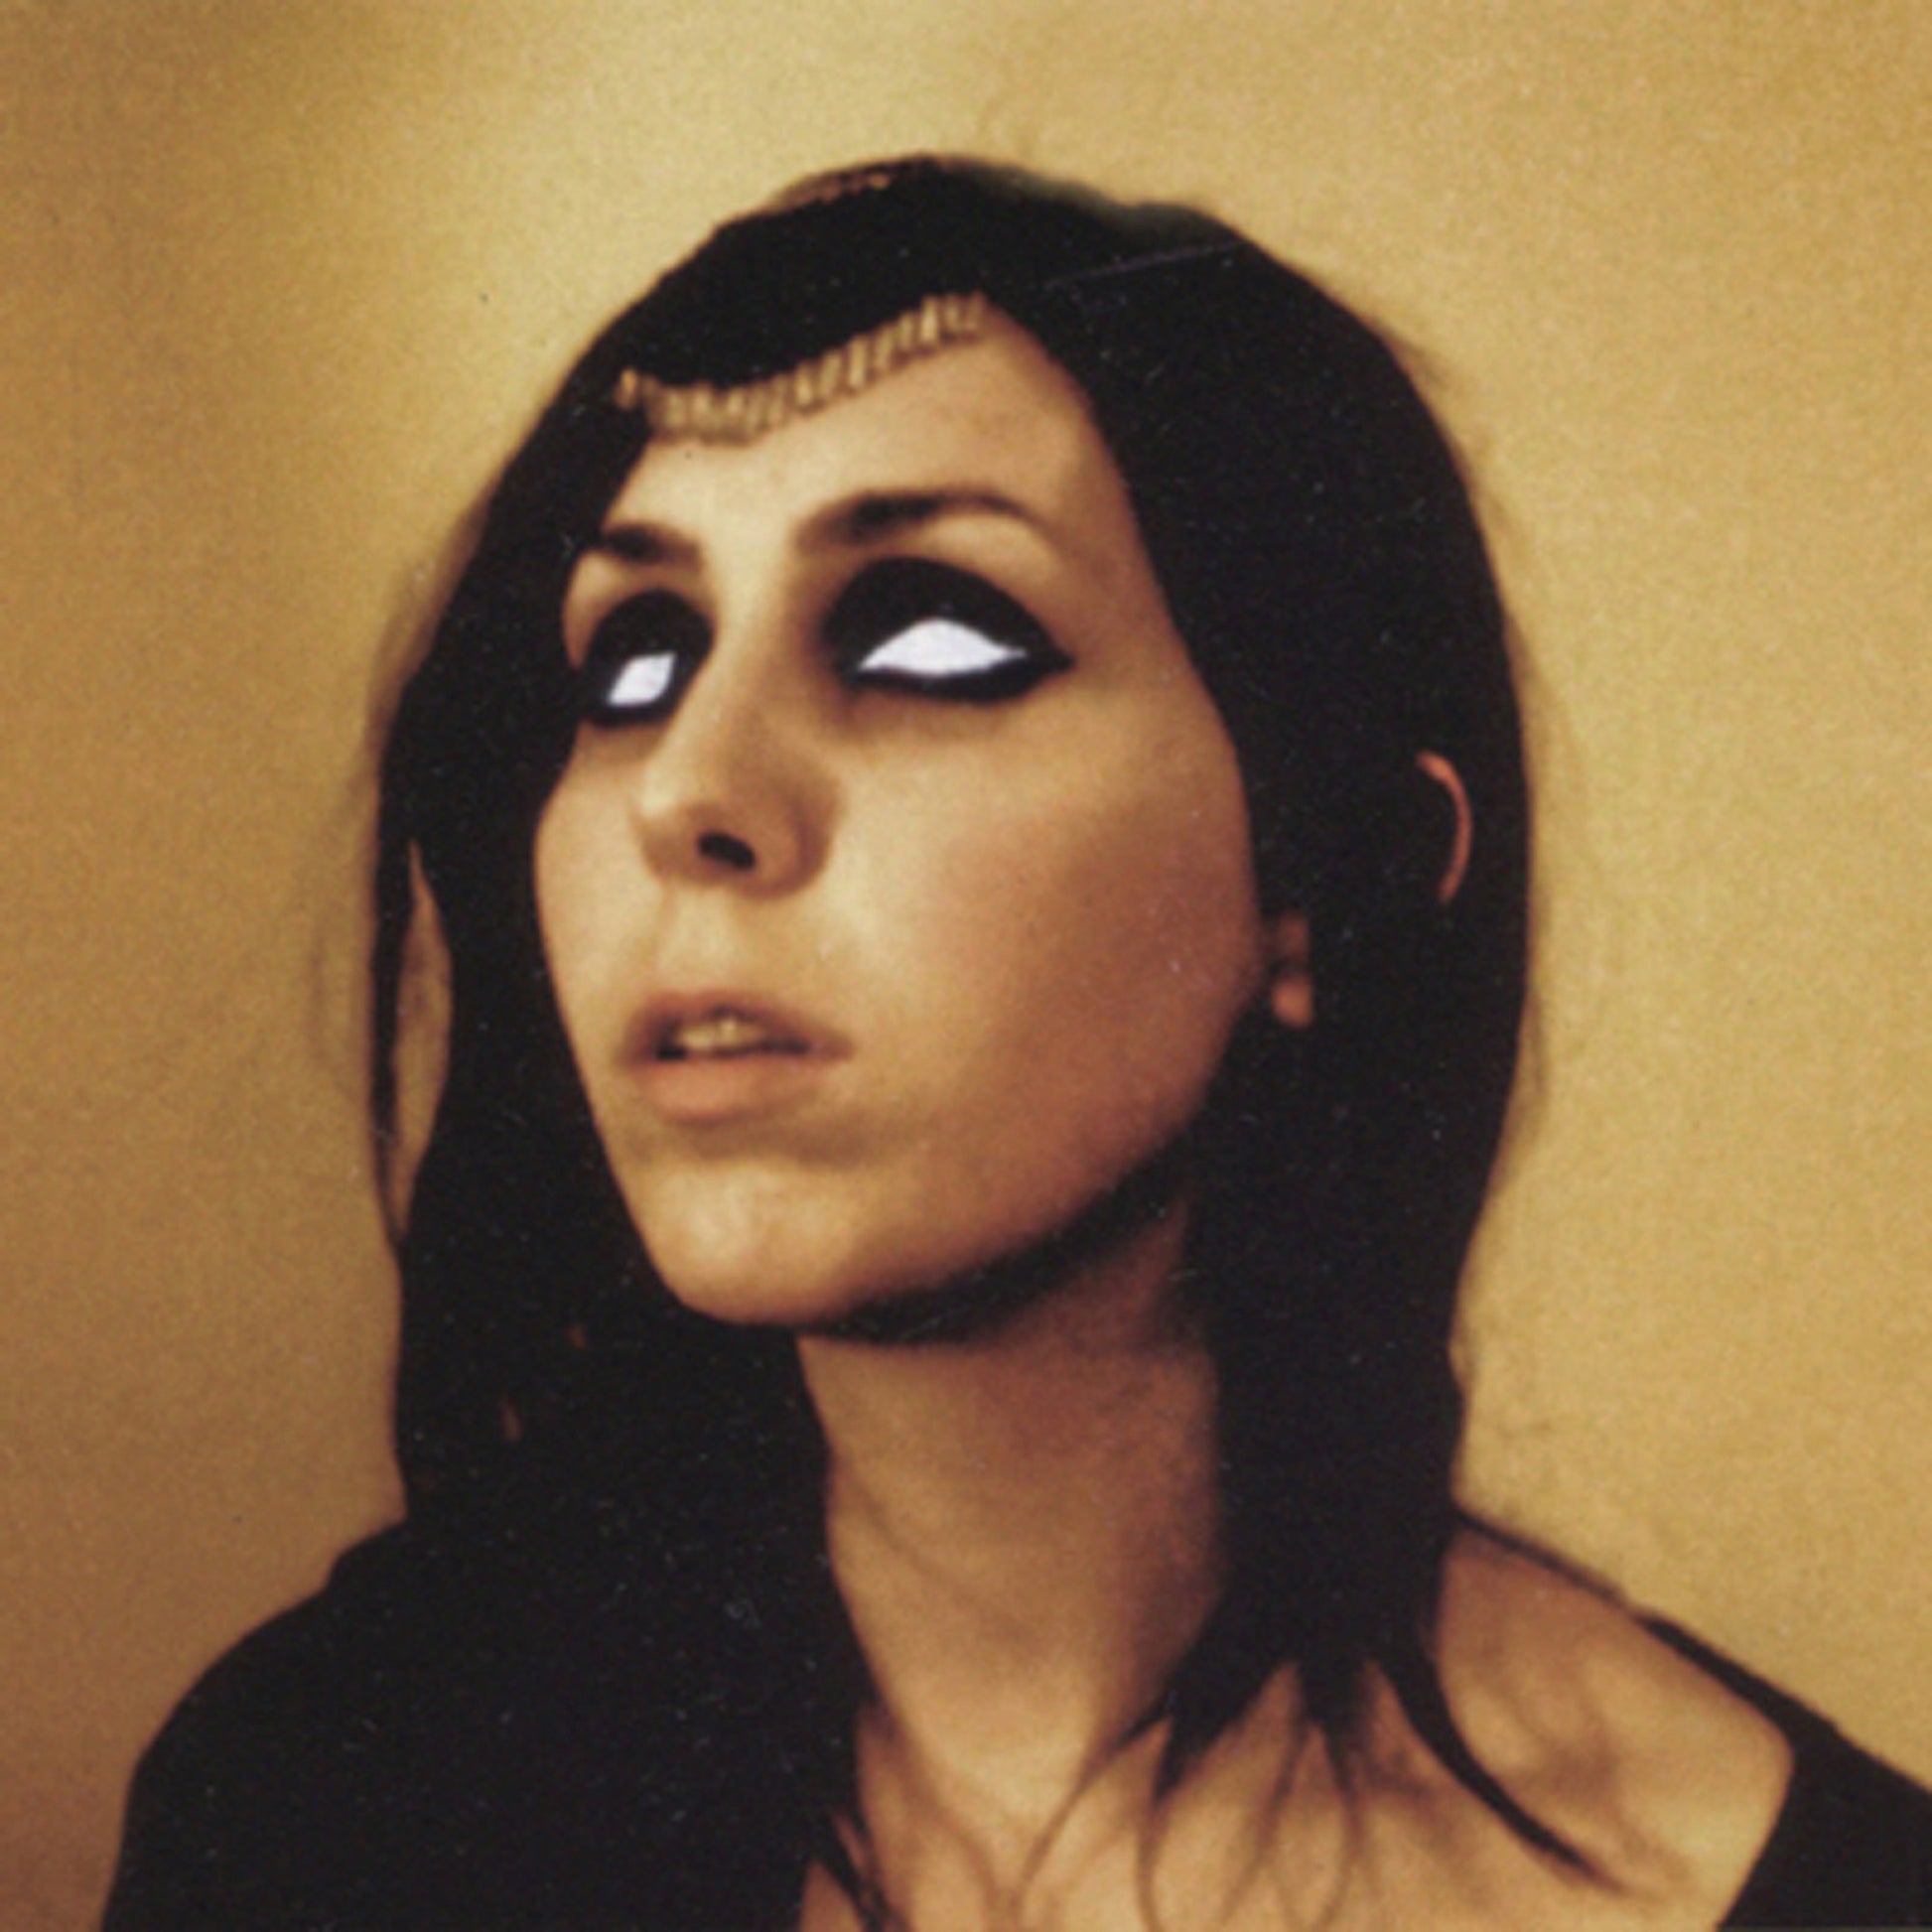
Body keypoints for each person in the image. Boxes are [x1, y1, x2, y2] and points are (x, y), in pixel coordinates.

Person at [106, 156, 1932, 1931]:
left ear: (1334, 871)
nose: (689, 789)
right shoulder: (328, 1802)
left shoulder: (1815, 1889)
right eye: (635, 658)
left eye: (931, 638)